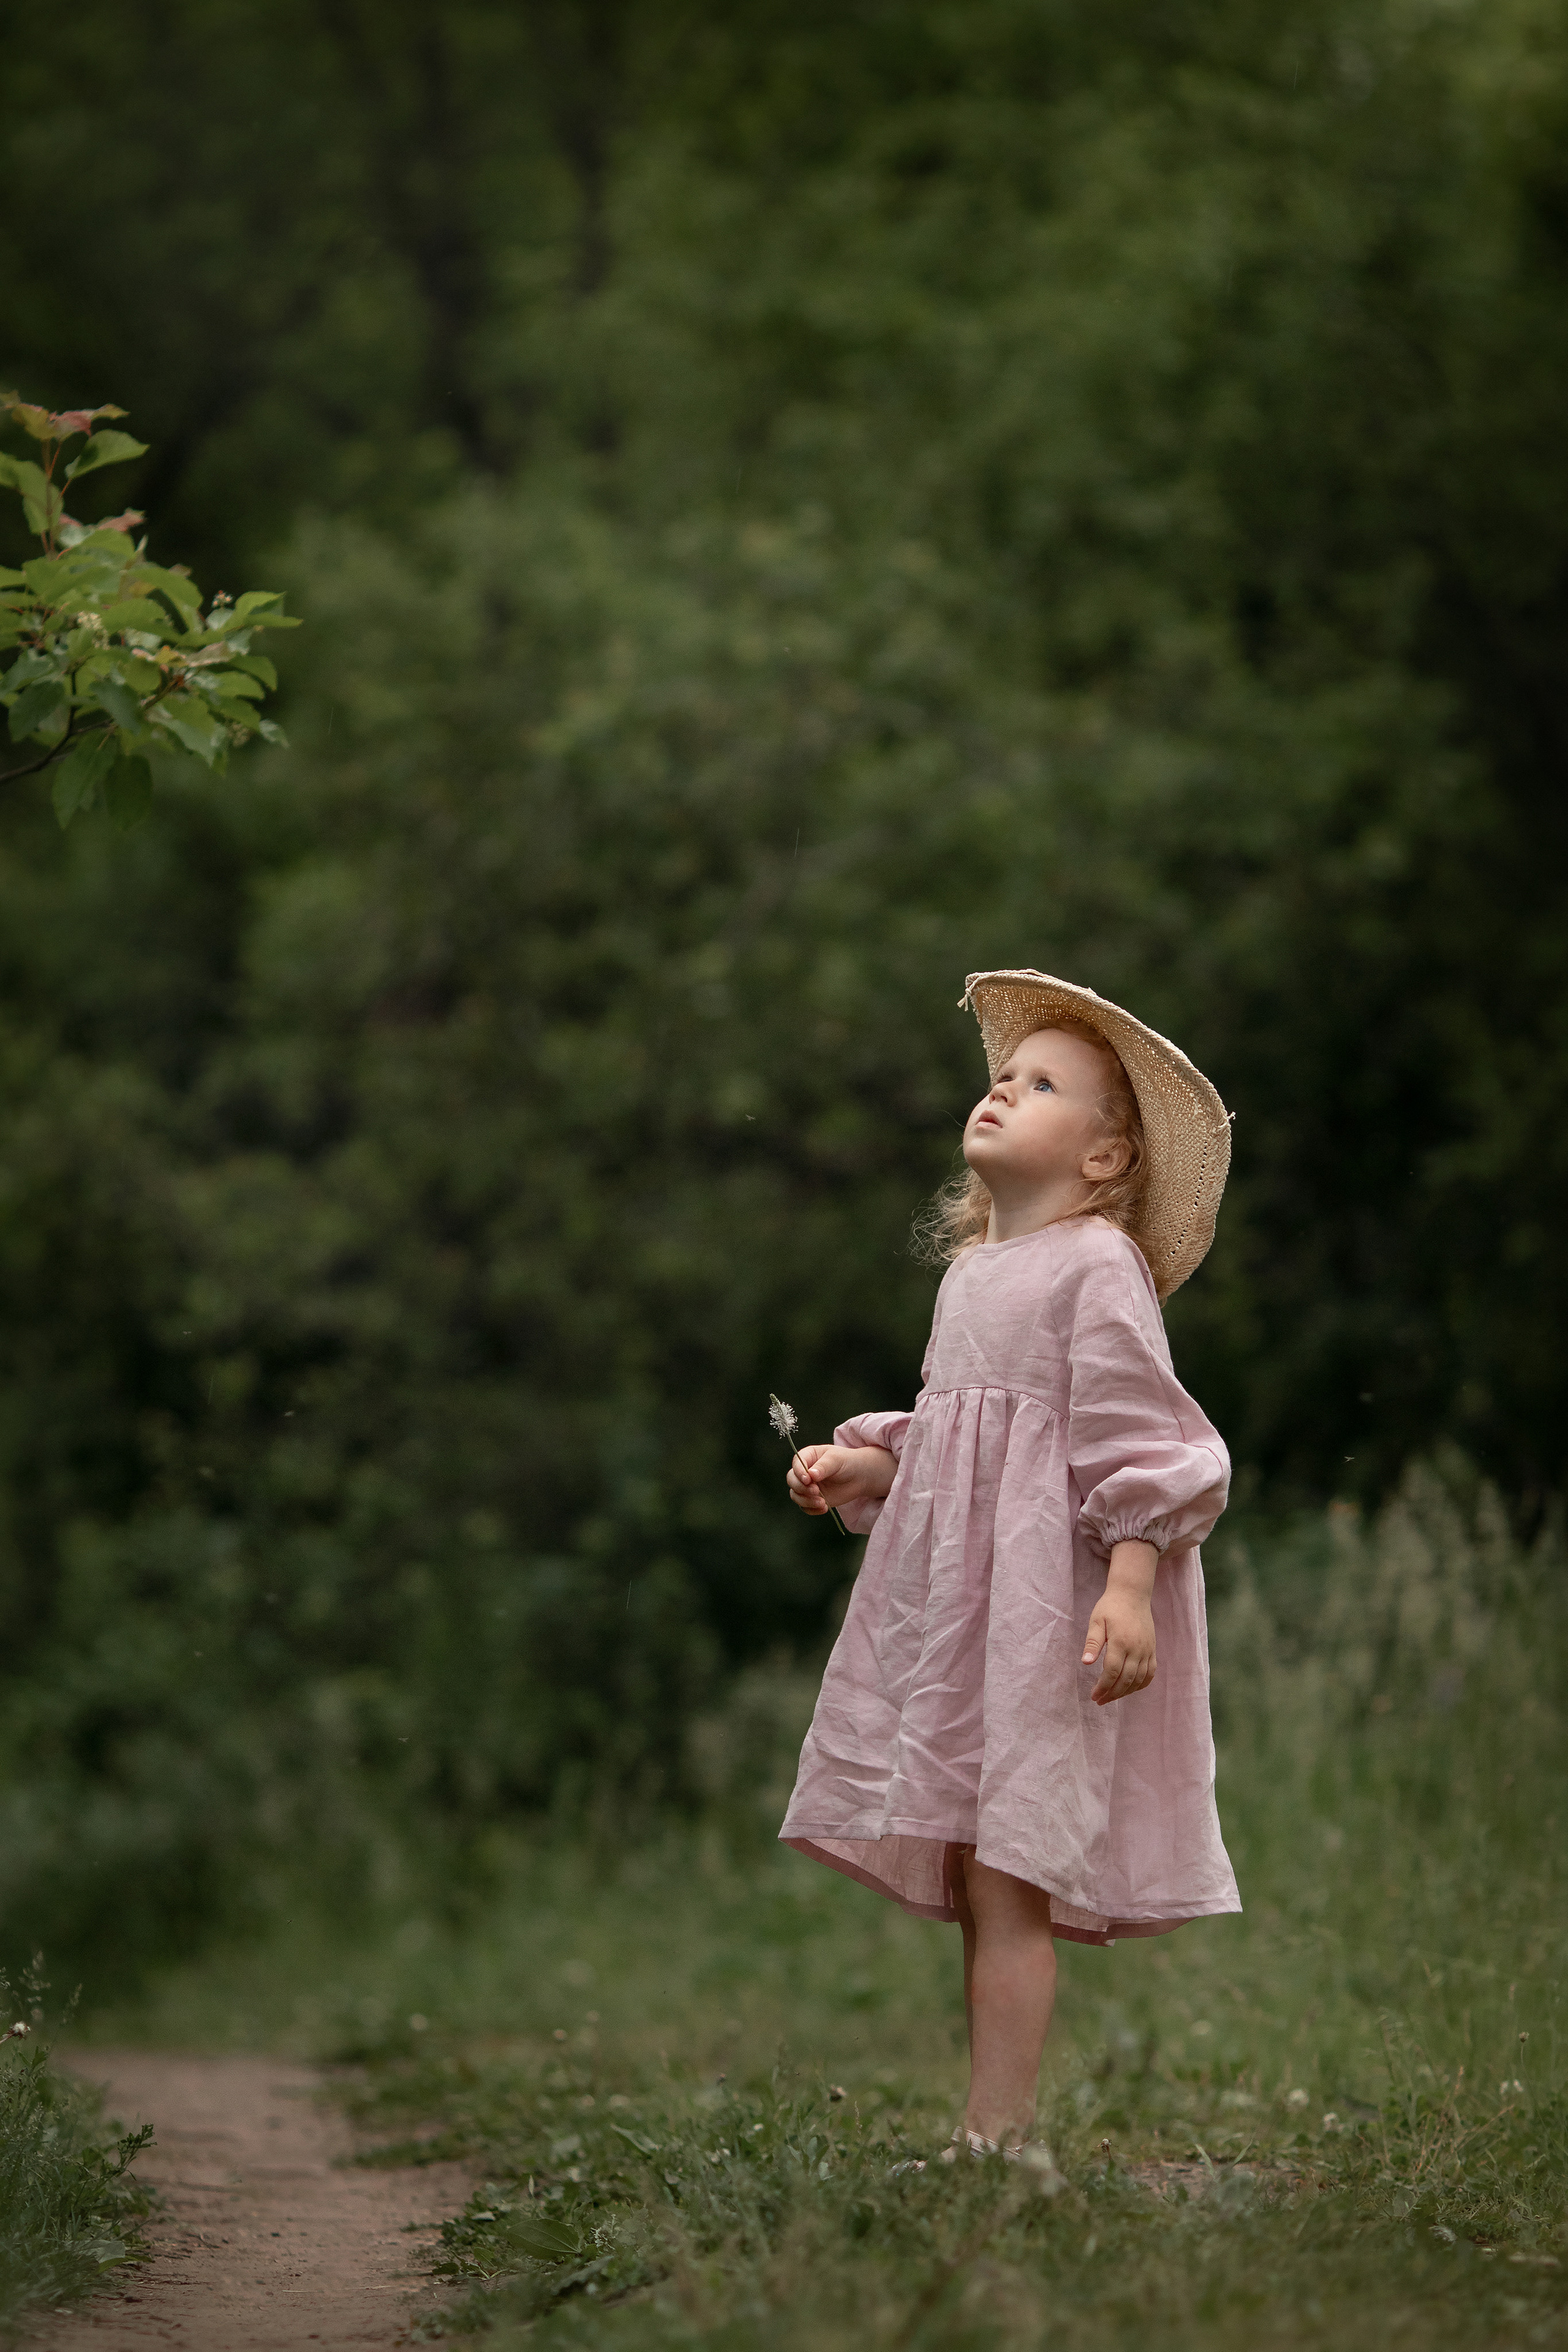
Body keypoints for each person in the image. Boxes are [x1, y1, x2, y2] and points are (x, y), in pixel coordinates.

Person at [778, 969, 1240, 2162]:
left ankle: (1001, 2139)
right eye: (1000, 1075)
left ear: (1100, 1161)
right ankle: (990, 2132)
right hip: (965, 1626)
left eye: (1040, 1086)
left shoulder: (1095, 1266)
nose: (1001, 1089)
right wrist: (870, 1467)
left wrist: (1129, 1586)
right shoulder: (971, 1273)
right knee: (987, 1878)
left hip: (1048, 1621)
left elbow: (1141, 1442)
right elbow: (962, 1442)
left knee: (1011, 1869)